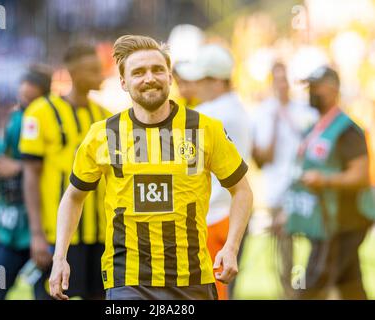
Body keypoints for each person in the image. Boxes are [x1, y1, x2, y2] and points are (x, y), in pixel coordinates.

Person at [49, 35, 253, 300]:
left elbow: (243, 191)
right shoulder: (103, 135)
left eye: (158, 70)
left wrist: (231, 246)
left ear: (170, 77)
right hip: (127, 279)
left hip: (192, 278)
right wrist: (60, 257)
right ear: (123, 82)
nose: (150, 78)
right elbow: (73, 197)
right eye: (138, 72)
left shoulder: (205, 129)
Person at [19, 43, 109, 300]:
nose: (100, 76)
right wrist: (36, 234)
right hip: (56, 237)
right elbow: (31, 176)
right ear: (74, 73)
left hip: (101, 237)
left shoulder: (106, 117)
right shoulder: (41, 112)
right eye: (93, 70)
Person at [284, 66, 374, 299]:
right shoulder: (314, 128)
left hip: (346, 220)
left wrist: (324, 180)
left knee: (313, 282)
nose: (310, 93)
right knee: (350, 284)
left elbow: (361, 175)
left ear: (333, 89)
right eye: (309, 88)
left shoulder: (347, 130)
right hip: (326, 220)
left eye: (316, 87)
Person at [175, 44, 252, 300]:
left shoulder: (208, 115)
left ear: (217, 81)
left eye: (200, 80)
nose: (192, 86)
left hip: (212, 217)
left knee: (207, 292)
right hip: (229, 213)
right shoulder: (237, 109)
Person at [0, 67, 52, 299]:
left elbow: (58, 164)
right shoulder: (15, 119)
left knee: (45, 293)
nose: (25, 103)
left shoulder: (49, 119)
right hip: (13, 229)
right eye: (23, 98)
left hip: (42, 227)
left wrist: (18, 167)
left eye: (32, 99)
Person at [251, 62, 317, 297]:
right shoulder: (263, 113)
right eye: (276, 79)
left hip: (304, 188)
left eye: (284, 79)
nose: (281, 85)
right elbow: (261, 159)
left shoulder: (306, 111)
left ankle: (310, 286)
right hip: (276, 189)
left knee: (313, 241)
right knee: (284, 246)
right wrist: (276, 123)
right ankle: (289, 291)